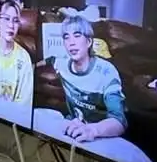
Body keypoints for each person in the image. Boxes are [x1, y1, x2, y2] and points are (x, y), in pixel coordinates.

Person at [54, 14, 127, 142]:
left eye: (77, 36)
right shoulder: (61, 63)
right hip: (72, 131)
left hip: (100, 138)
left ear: (88, 42)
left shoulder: (107, 72)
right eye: (66, 37)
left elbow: (119, 121)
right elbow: (50, 60)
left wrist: (92, 130)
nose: (71, 42)